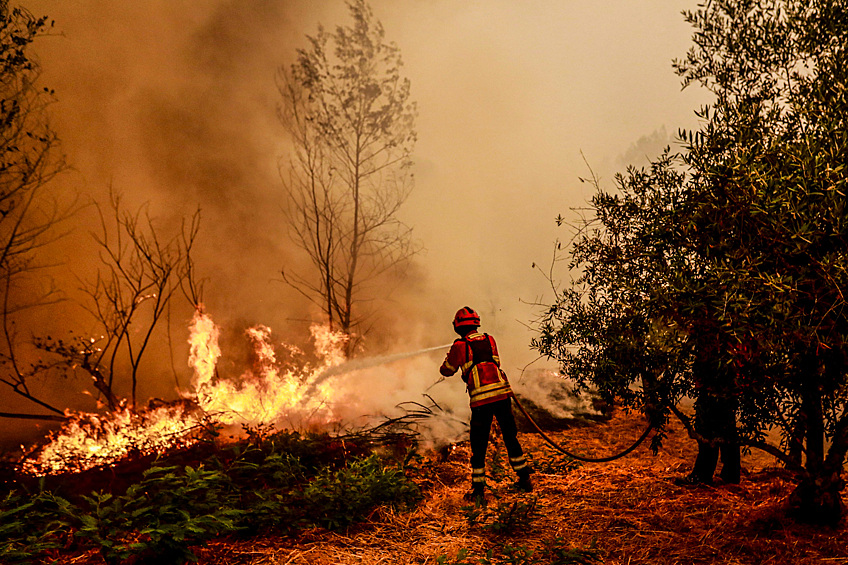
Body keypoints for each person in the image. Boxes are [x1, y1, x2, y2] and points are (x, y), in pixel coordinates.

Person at [439, 306, 532, 502]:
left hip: (481, 401)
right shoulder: (490, 339)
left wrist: (450, 357)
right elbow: (496, 362)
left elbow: (447, 370)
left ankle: (478, 490)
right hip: (503, 395)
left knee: (479, 444)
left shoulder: (459, 346)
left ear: (457, 326)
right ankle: (524, 478)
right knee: (510, 437)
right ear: (476, 324)